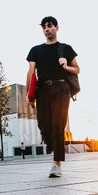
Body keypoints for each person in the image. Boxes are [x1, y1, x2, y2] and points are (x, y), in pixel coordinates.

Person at [26, 16, 80, 177]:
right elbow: (30, 73)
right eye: (44, 27)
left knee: (58, 125)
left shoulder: (65, 48)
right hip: (42, 90)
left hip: (62, 88)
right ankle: (54, 150)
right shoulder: (35, 50)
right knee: (44, 125)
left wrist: (66, 65)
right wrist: (29, 95)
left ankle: (56, 164)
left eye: (49, 26)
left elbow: (77, 70)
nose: (46, 29)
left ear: (57, 28)